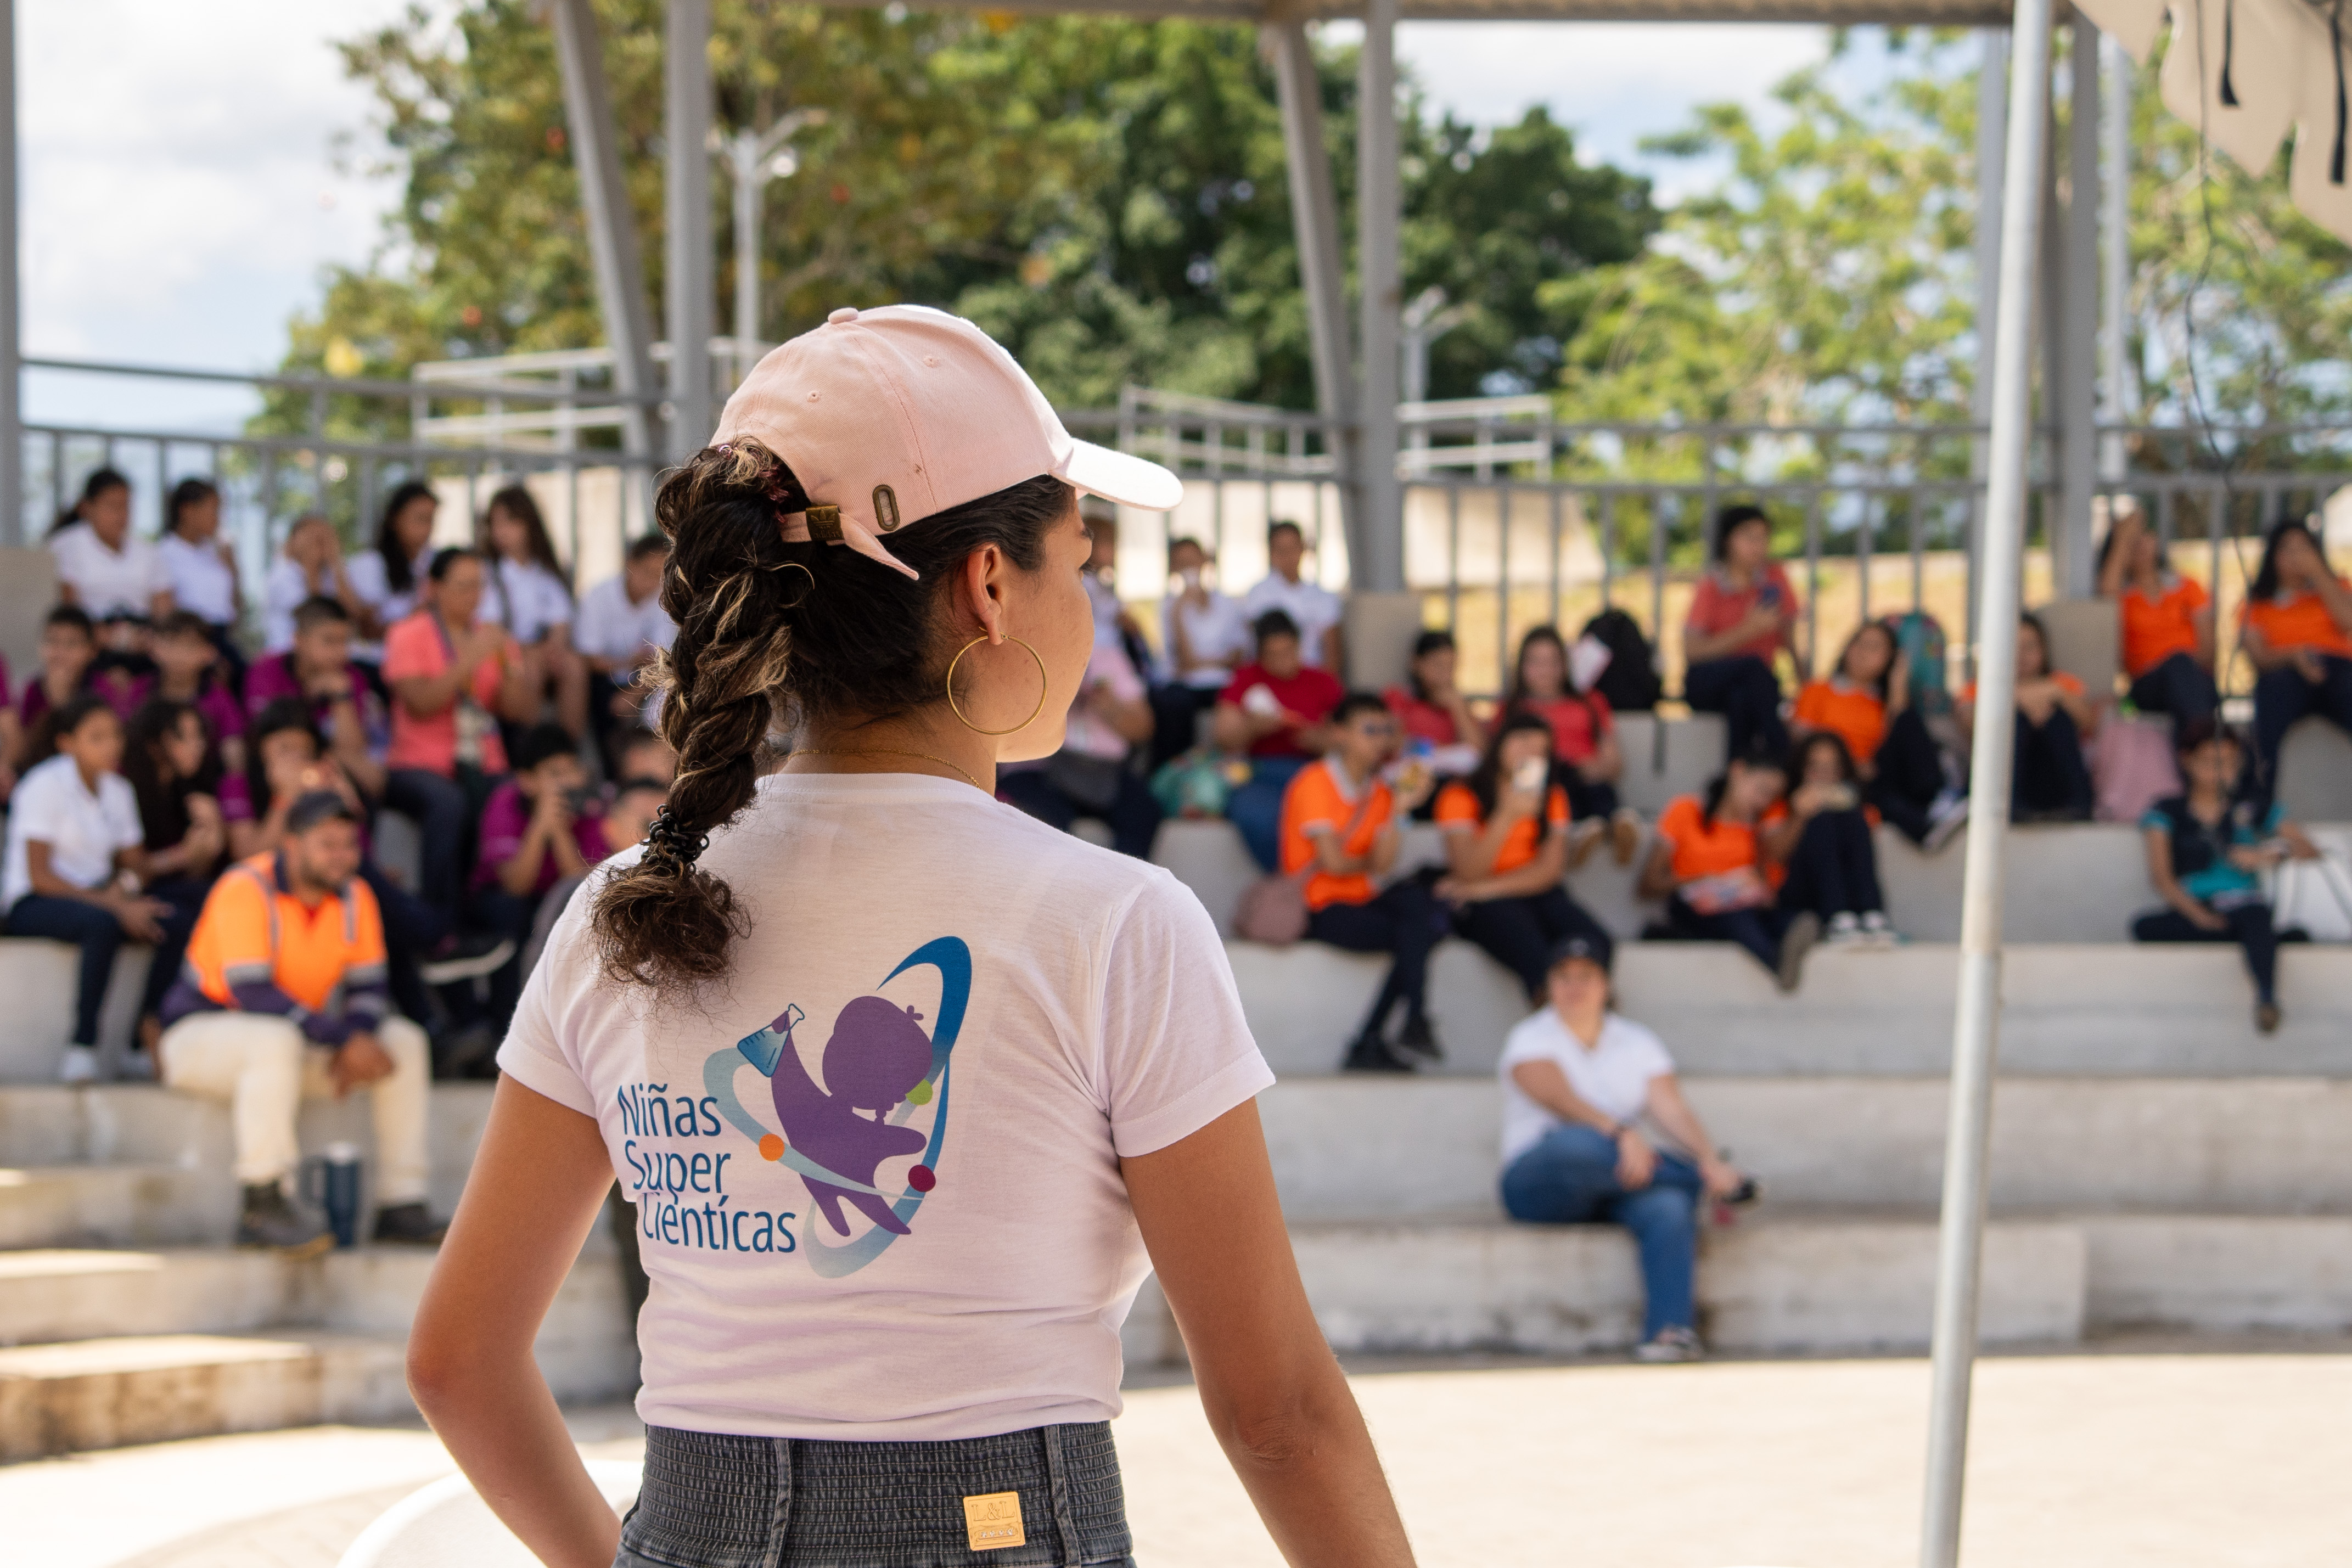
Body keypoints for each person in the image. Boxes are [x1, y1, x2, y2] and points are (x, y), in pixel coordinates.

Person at [407, 304, 1411, 1568]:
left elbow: (457, 1363)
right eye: (1082, 562)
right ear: (989, 586)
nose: (1091, 599)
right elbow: (1275, 1412)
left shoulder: (623, 902)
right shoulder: (1114, 922)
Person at [158, 790, 446, 1252]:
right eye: (326, 843)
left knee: (405, 1041)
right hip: (199, 1039)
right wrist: (342, 1037)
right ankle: (263, 1200)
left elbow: (370, 989)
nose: (341, 856)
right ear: (291, 844)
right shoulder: (245, 886)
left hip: (288, 1044)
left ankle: (401, 1202)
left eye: (349, 844)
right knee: (274, 1040)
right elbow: (253, 993)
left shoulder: (356, 895)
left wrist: (355, 1037)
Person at [1497, 932, 1748, 1363]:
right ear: (1549, 985)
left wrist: (1707, 1154)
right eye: (1563, 976)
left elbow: (1670, 1107)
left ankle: (1669, 1331)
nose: (1574, 987)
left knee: (1667, 1206)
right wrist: (1620, 1132)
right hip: (1540, 1184)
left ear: (1606, 984)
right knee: (1577, 1143)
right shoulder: (1529, 1036)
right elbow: (1557, 1097)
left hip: (1619, 1182)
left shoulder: (1637, 1040)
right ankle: (1703, 1180)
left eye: (1586, 976)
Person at [228, 700, 467, 1052]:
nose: (295, 758)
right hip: (275, 896)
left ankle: (435, 1029)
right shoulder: (239, 785)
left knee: (377, 914)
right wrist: (285, 797)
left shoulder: (323, 781)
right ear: (260, 750)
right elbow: (251, 860)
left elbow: (352, 848)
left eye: (302, 750)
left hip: (334, 889)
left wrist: (338, 797)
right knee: (379, 905)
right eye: (283, 749)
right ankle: (436, 940)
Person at [2, 696, 175, 1083]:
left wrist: (126, 889)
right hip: (32, 902)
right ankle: (82, 1046)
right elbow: (40, 875)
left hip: (99, 897)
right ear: (67, 743)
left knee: (173, 920)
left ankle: (136, 1043)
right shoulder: (42, 785)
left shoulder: (118, 790)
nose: (111, 745)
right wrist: (114, 905)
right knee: (101, 924)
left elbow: (137, 865)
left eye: (114, 735)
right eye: (96, 737)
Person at [1282, 693, 1444, 1071]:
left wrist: (1401, 811)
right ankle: (1392, 1029)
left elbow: (1382, 865)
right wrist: (1366, 862)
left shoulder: (1381, 791)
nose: (1379, 740)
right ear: (1338, 733)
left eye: (1385, 731)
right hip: (1318, 905)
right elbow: (1333, 863)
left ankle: (1392, 1029)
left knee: (1422, 911)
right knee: (1419, 933)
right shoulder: (1315, 782)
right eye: (1369, 730)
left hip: (1361, 897)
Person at [2134, 723, 2317, 1034]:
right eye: (2210, 762)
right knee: (2144, 927)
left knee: (2254, 917)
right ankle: (2263, 940)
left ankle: (2267, 999)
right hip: (2198, 907)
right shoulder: (2168, 811)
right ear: (2187, 760)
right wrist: (2199, 916)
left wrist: (2263, 856)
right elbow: (2162, 878)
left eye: (2230, 762)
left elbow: (2307, 848)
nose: (2220, 771)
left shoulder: (2251, 806)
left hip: (2244, 904)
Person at [382, 547, 533, 920]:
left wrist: (510, 666)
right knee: (447, 802)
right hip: (418, 762)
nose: (474, 596)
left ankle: (495, 909)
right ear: (434, 588)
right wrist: (469, 656)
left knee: (513, 797)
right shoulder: (408, 633)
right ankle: (439, 918)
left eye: (479, 585)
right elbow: (421, 703)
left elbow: (517, 712)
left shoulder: (493, 637)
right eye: (463, 586)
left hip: (483, 758)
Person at [1434, 712, 1610, 1001]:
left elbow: (1549, 872)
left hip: (1518, 891)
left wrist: (1483, 890)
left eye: (1540, 750)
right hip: (1486, 907)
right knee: (1535, 956)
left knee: (1596, 944)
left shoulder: (1553, 796)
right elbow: (1468, 871)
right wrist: (1506, 816)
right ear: (1499, 743)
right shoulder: (1460, 794)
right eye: (1522, 743)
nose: (1529, 755)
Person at [1638, 745, 1820, 991]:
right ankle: (1776, 962)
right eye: (1761, 789)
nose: (1762, 801)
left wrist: (1756, 888)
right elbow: (1648, 884)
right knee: (1737, 918)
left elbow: (1766, 884)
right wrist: (1700, 879)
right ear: (1738, 771)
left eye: (1771, 797)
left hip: (1743, 904)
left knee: (1784, 917)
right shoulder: (1686, 810)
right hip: (1693, 905)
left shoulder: (1757, 829)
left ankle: (1789, 940)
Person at [471, 722, 608, 1030]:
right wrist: (541, 825)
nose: (567, 782)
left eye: (572, 770)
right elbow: (515, 886)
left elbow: (580, 886)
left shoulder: (589, 807)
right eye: (554, 774)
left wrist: (559, 831)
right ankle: (506, 1026)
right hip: (504, 901)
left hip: (558, 899)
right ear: (528, 781)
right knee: (513, 913)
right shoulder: (505, 803)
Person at [122, 698, 227, 1059]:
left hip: (169, 888)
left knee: (214, 902)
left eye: (201, 737)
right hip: (117, 891)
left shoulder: (189, 790)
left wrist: (210, 834)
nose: (196, 746)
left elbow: (194, 871)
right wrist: (183, 854)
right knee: (181, 920)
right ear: (157, 744)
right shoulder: (127, 787)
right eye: (185, 737)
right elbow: (132, 870)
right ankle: (147, 1027)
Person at [998, 636, 1164, 859]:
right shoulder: (1021, 652)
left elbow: (1144, 728)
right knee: (1039, 819)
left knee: (1143, 811)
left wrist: (1108, 706)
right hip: (1039, 768)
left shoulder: (1108, 658)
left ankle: (1117, 888)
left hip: (1103, 772)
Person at [1213, 609, 1345, 869]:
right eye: (1274, 655)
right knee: (1252, 810)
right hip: (1259, 772)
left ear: (1299, 646)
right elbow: (1223, 738)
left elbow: (1349, 736)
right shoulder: (1245, 678)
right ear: (1260, 654)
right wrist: (1252, 728)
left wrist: (1321, 741)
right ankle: (1292, 879)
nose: (1283, 661)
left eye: (1289, 652)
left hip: (1313, 771)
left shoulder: (1322, 680)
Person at [2239, 518, 2352, 808]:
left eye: (2305, 548)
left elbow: (2348, 622)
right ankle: (2259, 804)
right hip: (2285, 673)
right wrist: (2294, 655)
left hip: (2339, 671)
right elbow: (2258, 657)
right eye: (2288, 550)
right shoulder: (2257, 602)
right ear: (2273, 557)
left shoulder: (2337, 587)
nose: (2297, 556)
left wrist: (2318, 573)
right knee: (2271, 698)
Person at [1505, 624, 1638, 864]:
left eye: (1553, 662)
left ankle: (1609, 823)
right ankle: (1587, 828)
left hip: (1587, 779)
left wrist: (1593, 767)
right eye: (1536, 662)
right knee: (1561, 782)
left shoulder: (1591, 702)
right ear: (1522, 666)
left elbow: (1614, 762)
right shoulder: (1512, 709)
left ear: (1565, 665)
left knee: (1593, 785)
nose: (1545, 671)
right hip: (1541, 786)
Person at [1682, 503, 1799, 762]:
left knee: (1743, 696)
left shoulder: (1775, 577)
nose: (1758, 545)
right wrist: (1748, 631)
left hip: (1755, 687)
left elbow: (1790, 638)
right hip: (1709, 681)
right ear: (1727, 540)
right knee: (1753, 668)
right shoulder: (1711, 585)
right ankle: (1782, 753)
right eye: (1749, 537)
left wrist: (1805, 682)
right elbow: (1693, 652)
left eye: (1764, 537)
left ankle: (1737, 773)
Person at [1954, 612, 2096, 820]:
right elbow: (1971, 724)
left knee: (2058, 719)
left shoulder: (2062, 683)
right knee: (2014, 719)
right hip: (2000, 790)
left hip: (2052, 786)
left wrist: (2054, 692)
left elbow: (2089, 722)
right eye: (2014, 646)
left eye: (2030, 647)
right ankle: (2012, 808)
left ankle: (2079, 806)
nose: (2022, 655)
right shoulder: (1979, 687)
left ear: (2044, 649)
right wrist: (2015, 698)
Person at [245, 597, 389, 799]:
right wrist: (309, 698)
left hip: (329, 765)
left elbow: (353, 750)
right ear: (299, 640)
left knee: (369, 775)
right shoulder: (266, 671)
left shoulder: (352, 678)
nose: (341, 653)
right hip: (275, 768)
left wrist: (341, 698)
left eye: (345, 642)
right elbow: (269, 740)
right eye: (329, 641)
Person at [1763, 731, 1896, 945]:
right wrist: (1799, 815)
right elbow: (1774, 855)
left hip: (1848, 890)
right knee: (1821, 820)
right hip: (1797, 896)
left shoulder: (1857, 812)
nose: (1824, 776)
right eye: (1815, 768)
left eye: (1832, 768)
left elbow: (1859, 855)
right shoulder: (1781, 807)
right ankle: (1837, 915)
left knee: (1847, 815)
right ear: (1802, 769)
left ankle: (1871, 913)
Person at [480, 485, 590, 739]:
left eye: (510, 522)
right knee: (529, 666)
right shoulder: (488, 572)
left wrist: (555, 647)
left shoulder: (545, 571)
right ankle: (528, 746)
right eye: (495, 524)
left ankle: (567, 745)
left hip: (540, 649)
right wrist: (532, 651)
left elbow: (561, 622)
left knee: (574, 666)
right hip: (505, 650)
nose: (501, 532)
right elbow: (490, 627)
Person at [2098, 497, 2217, 727]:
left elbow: (2208, 650)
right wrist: (2123, 538)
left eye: (2144, 535)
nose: (2139, 544)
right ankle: (2204, 743)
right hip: (2148, 684)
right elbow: (2107, 594)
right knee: (2179, 665)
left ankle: (2198, 743)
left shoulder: (2187, 586)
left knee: (2184, 668)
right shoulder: (2121, 595)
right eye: (2131, 541)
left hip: (2191, 676)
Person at [573, 534, 677, 765]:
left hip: (641, 682)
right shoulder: (599, 596)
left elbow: (661, 661)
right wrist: (630, 662)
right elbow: (589, 658)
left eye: (661, 576)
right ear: (631, 564)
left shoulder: (663, 602)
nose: (654, 583)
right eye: (649, 573)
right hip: (602, 680)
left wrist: (633, 694)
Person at [1150, 535, 1251, 769]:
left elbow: (1237, 656)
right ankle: (1174, 772)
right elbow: (1183, 662)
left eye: (1192, 561)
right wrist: (1180, 611)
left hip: (1221, 682)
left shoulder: (1227, 604)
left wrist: (1204, 664)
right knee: (1174, 706)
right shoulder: (1169, 606)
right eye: (1182, 563)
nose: (1189, 568)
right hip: (1184, 685)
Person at [49, 468, 173, 622]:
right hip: (88, 633)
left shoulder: (148, 551)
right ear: (87, 507)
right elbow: (68, 609)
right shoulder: (65, 546)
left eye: (125, 506)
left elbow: (164, 609)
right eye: (112, 506)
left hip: (142, 634)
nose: (120, 514)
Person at [156, 477, 244, 675]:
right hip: (189, 641)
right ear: (187, 510)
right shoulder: (165, 553)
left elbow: (234, 606)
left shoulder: (215, 552)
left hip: (222, 637)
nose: (218, 518)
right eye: (213, 510)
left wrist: (232, 568)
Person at [347, 481, 440, 664]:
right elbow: (368, 631)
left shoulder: (434, 562)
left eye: (431, 519)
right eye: (419, 518)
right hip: (375, 663)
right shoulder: (368, 564)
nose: (427, 528)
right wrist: (414, 621)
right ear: (395, 519)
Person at [150, 610, 249, 775]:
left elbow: (234, 755)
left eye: (189, 646)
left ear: (208, 653)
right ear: (154, 648)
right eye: (171, 643)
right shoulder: (139, 692)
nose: (179, 655)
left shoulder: (221, 698)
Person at [1243, 519, 1344, 671]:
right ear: (1271, 553)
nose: (1288, 556)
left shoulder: (1324, 597)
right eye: (1281, 550)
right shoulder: (1258, 594)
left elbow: (1332, 653)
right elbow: (1252, 647)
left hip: (1310, 678)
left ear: (1303, 548)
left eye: (1292, 548)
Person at [1385, 628, 1485, 781]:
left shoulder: (1458, 705)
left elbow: (1477, 753)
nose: (1445, 674)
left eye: (1451, 666)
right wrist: (1435, 751)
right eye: (1438, 665)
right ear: (1416, 663)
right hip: (1407, 778)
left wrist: (1458, 708)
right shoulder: (1399, 698)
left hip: (1445, 782)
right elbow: (1393, 743)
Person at [14, 604, 99, 771]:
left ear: (91, 650)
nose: (61, 653)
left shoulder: (100, 690)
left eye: (71, 644)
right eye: (52, 641)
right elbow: (24, 751)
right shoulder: (31, 691)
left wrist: (63, 700)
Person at [262, 514, 363, 653]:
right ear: (293, 541)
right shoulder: (283, 574)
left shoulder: (332, 574)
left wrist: (336, 564)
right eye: (312, 537)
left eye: (326, 537)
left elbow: (354, 614)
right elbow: (317, 617)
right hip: (289, 655)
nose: (320, 543)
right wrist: (311, 566)